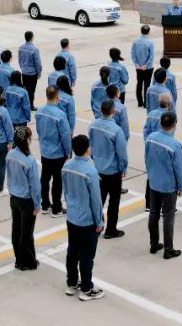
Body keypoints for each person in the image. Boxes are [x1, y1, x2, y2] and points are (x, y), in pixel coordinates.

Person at [62, 134, 105, 301]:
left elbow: (65, 190)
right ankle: (86, 288)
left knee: (72, 252)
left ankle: (72, 283)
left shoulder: (66, 166)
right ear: (88, 148)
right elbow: (96, 199)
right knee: (87, 255)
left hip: (72, 216)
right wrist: (99, 220)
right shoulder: (90, 171)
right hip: (87, 219)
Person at [145, 111, 182, 260]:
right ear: (174, 125)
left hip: (154, 182)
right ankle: (168, 248)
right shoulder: (174, 145)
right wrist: (180, 186)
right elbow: (179, 169)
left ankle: (154, 244)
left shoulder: (150, 139)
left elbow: (147, 159)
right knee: (168, 216)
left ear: (160, 123)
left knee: (154, 212)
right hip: (168, 186)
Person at [88, 98, 127, 238]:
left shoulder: (92, 125)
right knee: (114, 201)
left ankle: (97, 225)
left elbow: (90, 146)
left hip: (97, 169)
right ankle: (111, 230)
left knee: (98, 199)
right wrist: (123, 167)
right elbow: (121, 152)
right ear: (113, 111)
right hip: (112, 171)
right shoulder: (116, 130)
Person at [6, 126, 41, 270]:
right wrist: (37, 204)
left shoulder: (10, 155)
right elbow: (34, 185)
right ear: (27, 140)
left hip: (14, 197)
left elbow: (9, 175)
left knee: (17, 231)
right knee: (26, 234)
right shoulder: (29, 160)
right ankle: (24, 262)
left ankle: (23, 259)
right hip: (26, 200)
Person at [36, 85, 73, 219]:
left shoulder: (39, 111)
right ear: (57, 96)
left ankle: (45, 204)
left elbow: (38, 129)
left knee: (45, 179)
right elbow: (65, 135)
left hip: (45, 151)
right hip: (57, 153)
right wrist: (68, 151)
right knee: (57, 181)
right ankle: (56, 208)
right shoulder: (60, 115)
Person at [142, 93, 173, 210]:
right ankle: (163, 205)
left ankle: (149, 204)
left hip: (151, 148)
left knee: (151, 173)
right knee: (164, 175)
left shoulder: (151, 114)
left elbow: (145, 130)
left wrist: (148, 141)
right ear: (169, 103)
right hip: (163, 149)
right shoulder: (168, 117)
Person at [130, 25, 155, 108]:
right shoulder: (150, 42)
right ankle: (146, 103)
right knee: (147, 84)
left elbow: (133, 54)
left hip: (138, 67)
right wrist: (146, 65)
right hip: (147, 68)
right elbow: (151, 56)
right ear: (149, 31)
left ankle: (140, 102)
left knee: (139, 83)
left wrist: (136, 64)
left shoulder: (136, 41)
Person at [18, 31, 42, 111]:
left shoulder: (21, 48)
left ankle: (25, 104)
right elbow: (37, 63)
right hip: (32, 73)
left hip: (24, 72)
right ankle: (31, 105)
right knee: (31, 91)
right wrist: (39, 72)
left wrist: (22, 68)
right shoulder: (34, 49)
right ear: (32, 38)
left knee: (25, 89)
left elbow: (20, 60)